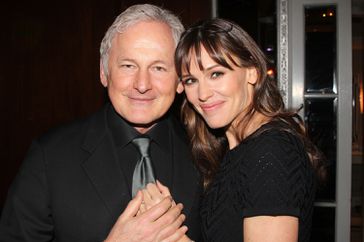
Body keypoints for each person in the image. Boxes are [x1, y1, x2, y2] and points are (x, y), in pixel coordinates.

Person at [0, 4, 202, 242]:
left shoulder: (207, 154)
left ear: (180, 80)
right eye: (128, 65)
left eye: (158, 67)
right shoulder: (50, 156)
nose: (142, 84)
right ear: (104, 72)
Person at [142, 18, 326, 242]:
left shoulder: (270, 152)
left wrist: (173, 236)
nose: (203, 94)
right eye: (191, 80)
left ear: (252, 72)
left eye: (216, 74)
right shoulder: (234, 149)